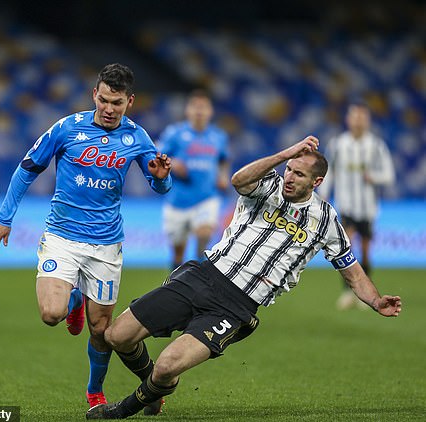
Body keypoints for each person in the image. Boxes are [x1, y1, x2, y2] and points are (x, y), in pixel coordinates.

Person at [85, 136, 402, 420]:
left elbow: (352, 272)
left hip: (235, 306)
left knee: (167, 366)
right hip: (203, 275)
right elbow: (238, 180)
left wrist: (376, 301)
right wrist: (285, 154)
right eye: (289, 170)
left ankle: (122, 410)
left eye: (299, 174)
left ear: (316, 182)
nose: (290, 177)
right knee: (118, 336)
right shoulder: (268, 185)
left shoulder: (326, 221)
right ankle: (155, 390)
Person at [0, 63, 172, 410]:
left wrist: (161, 178)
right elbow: (27, 168)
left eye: (117, 102)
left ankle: (94, 391)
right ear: (94, 95)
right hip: (62, 237)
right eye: (104, 100)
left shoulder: (137, 137)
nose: (109, 109)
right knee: (50, 314)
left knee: (100, 330)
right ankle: (73, 301)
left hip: (106, 244)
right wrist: (3, 218)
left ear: (130, 101)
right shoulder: (67, 128)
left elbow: (160, 185)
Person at [318, 102, 395, 310]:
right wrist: (323, 194)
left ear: (367, 121)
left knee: (366, 252)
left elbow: (388, 175)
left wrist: (373, 177)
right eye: (355, 117)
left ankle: (366, 295)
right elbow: (328, 171)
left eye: (362, 117)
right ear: (348, 119)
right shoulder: (338, 145)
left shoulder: (376, 145)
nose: (358, 121)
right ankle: (347, 293)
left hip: (368, 208)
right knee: (347, 248)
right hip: (346, 206)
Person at [158, 89, 230, 270]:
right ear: (187, 110)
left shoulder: (218, 136)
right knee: (178, 253)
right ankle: (176, 279)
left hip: (206, 198)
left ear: (210, 111)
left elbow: (223, 159)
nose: (199, 111)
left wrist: (223, 176)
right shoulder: (175, 133)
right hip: (178, 200)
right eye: (195, 106)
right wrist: (173, 163)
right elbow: (157, 155)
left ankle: (198, 268)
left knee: (204, 233)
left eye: (203, 107)